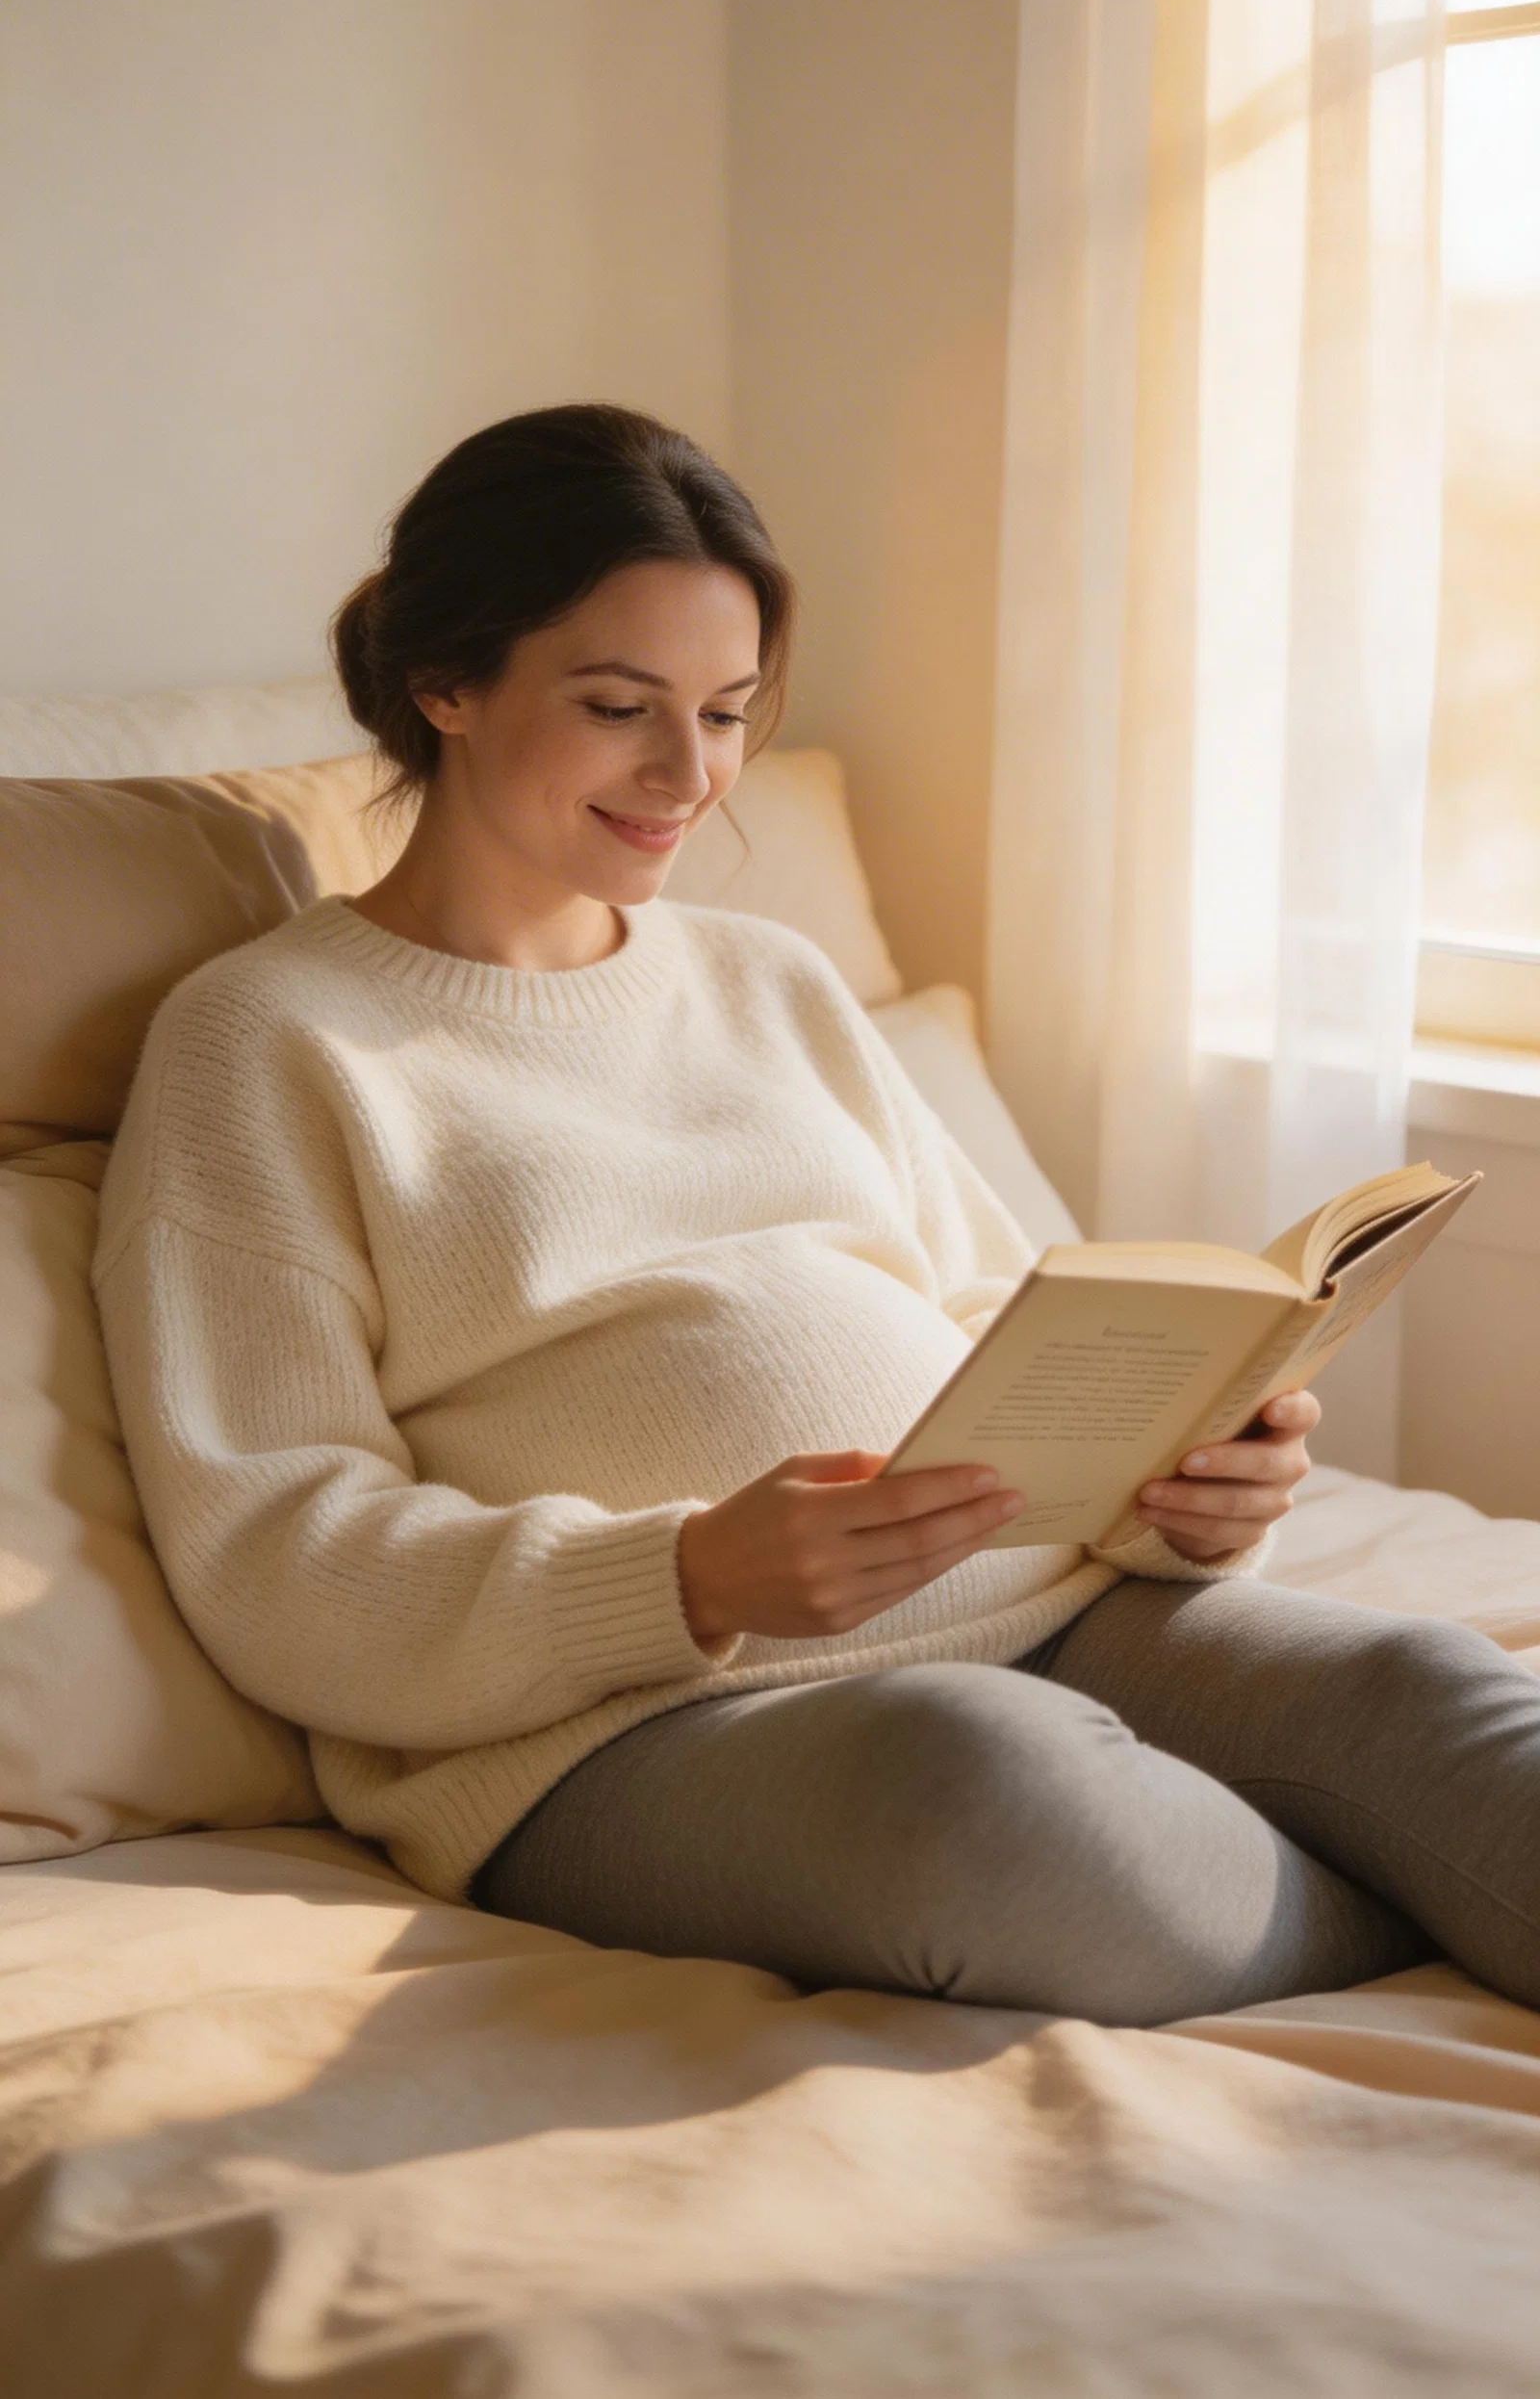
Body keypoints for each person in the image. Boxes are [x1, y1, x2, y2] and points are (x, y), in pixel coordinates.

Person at [93, 403, 1540, 2026]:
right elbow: (277, 1550)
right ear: (446, 682)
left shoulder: (770, 980)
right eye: (619, 707)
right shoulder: (268, 1040)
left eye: (724, 712)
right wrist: (690, 1576)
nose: (691, 776)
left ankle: (1380, 1891)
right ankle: (1415, 1921)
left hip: (1055, 1607)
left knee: (1425, 1688)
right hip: (629, 1733)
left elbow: (1002, 1311)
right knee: (985, 1789)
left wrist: (1192, 1476)